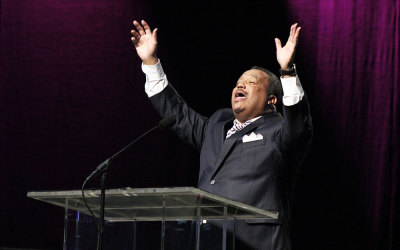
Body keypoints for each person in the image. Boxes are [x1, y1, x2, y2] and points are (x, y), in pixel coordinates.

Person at [131, 20, 312, 250]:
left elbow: (299, 126)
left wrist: (287, 72)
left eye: (251, 82)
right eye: (238, 82)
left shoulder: (279, 132)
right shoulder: (217, 124)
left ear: (272, 100)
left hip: (255, 242)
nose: (241, 85)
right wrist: (150, 61)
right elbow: (177, 114)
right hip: (208, 240)